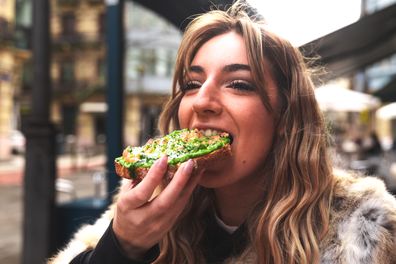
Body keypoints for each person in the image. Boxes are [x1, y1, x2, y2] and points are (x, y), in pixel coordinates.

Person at [49, 2, 396, 263]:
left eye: (239, 84)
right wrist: (122, 247)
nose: (202, 100)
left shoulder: (364, 233)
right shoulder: (138, 216)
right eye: (191, 83)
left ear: (286, 117)